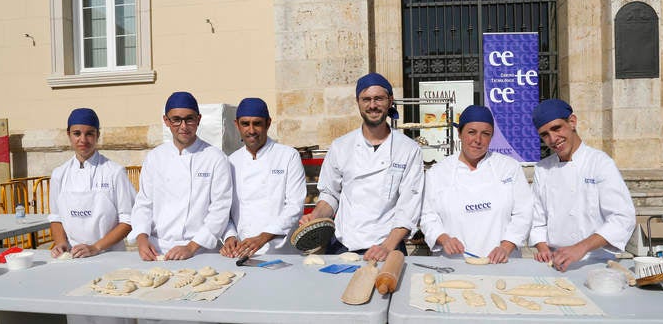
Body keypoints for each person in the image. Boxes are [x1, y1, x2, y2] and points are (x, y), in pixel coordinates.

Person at [299, 73, 424, 261]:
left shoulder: (408, 149)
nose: (372, 105)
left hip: (388, 248)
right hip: (342, 245)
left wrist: (386, 247)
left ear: (390, 101)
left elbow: (409, 207)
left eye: (379, 98)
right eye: (366, 99)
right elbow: (330, 195)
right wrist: (316, 216)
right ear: (358, 102)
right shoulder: (340, 146)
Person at [528, 99, 636, 272]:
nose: (553, 139)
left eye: (556, 128)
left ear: (572, 122)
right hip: (555, 262)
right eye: (545, 134)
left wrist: (581, 248)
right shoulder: (543, 169)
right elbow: (537, 219)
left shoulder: (599, 163)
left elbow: (622, 218)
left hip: (595, 261)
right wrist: (543, 249)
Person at [419, 105, 533, 263]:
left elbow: (524, 212)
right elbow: (427, 216)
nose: (477, 140)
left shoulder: (508, 168)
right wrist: (444, 239)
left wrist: (506, 246)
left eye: (485, 134)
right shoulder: (437, 173)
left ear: (492, 136)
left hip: (502, 262)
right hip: (453, 263)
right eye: (471, 132)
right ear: (459, 133)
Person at [130, 92, 232, 261]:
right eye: (176, 119)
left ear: (198, 119)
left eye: (189, 119)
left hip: (200, 251)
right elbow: (143, 204)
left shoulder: (215, 158)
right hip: (157, 250)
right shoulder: (155, 157)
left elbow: (220, 210)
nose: (183, 126)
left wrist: (191, 247)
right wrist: (142, 239)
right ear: (166, 121)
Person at [220, 98, 306, 258]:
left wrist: (263, 237)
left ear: (268, 123)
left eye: (257, 123)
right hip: (243, 251)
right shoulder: (230, 161)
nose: (251, 130)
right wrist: (229, 236)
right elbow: (224, 209)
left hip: (282, 252)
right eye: (245, 124)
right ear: (237, 125)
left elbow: (295, 206)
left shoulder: (288, 156)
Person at [48, 108, 135, 258]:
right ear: (68, 134)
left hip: (109, 255)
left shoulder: (114, 172)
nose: (83, 140)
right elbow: (56, 218)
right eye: (77, 134)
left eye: (89, 133)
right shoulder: (59, 175)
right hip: (73, 256)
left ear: (97, 135)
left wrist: (96, 247)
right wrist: (61, 242)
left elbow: (128, 220)